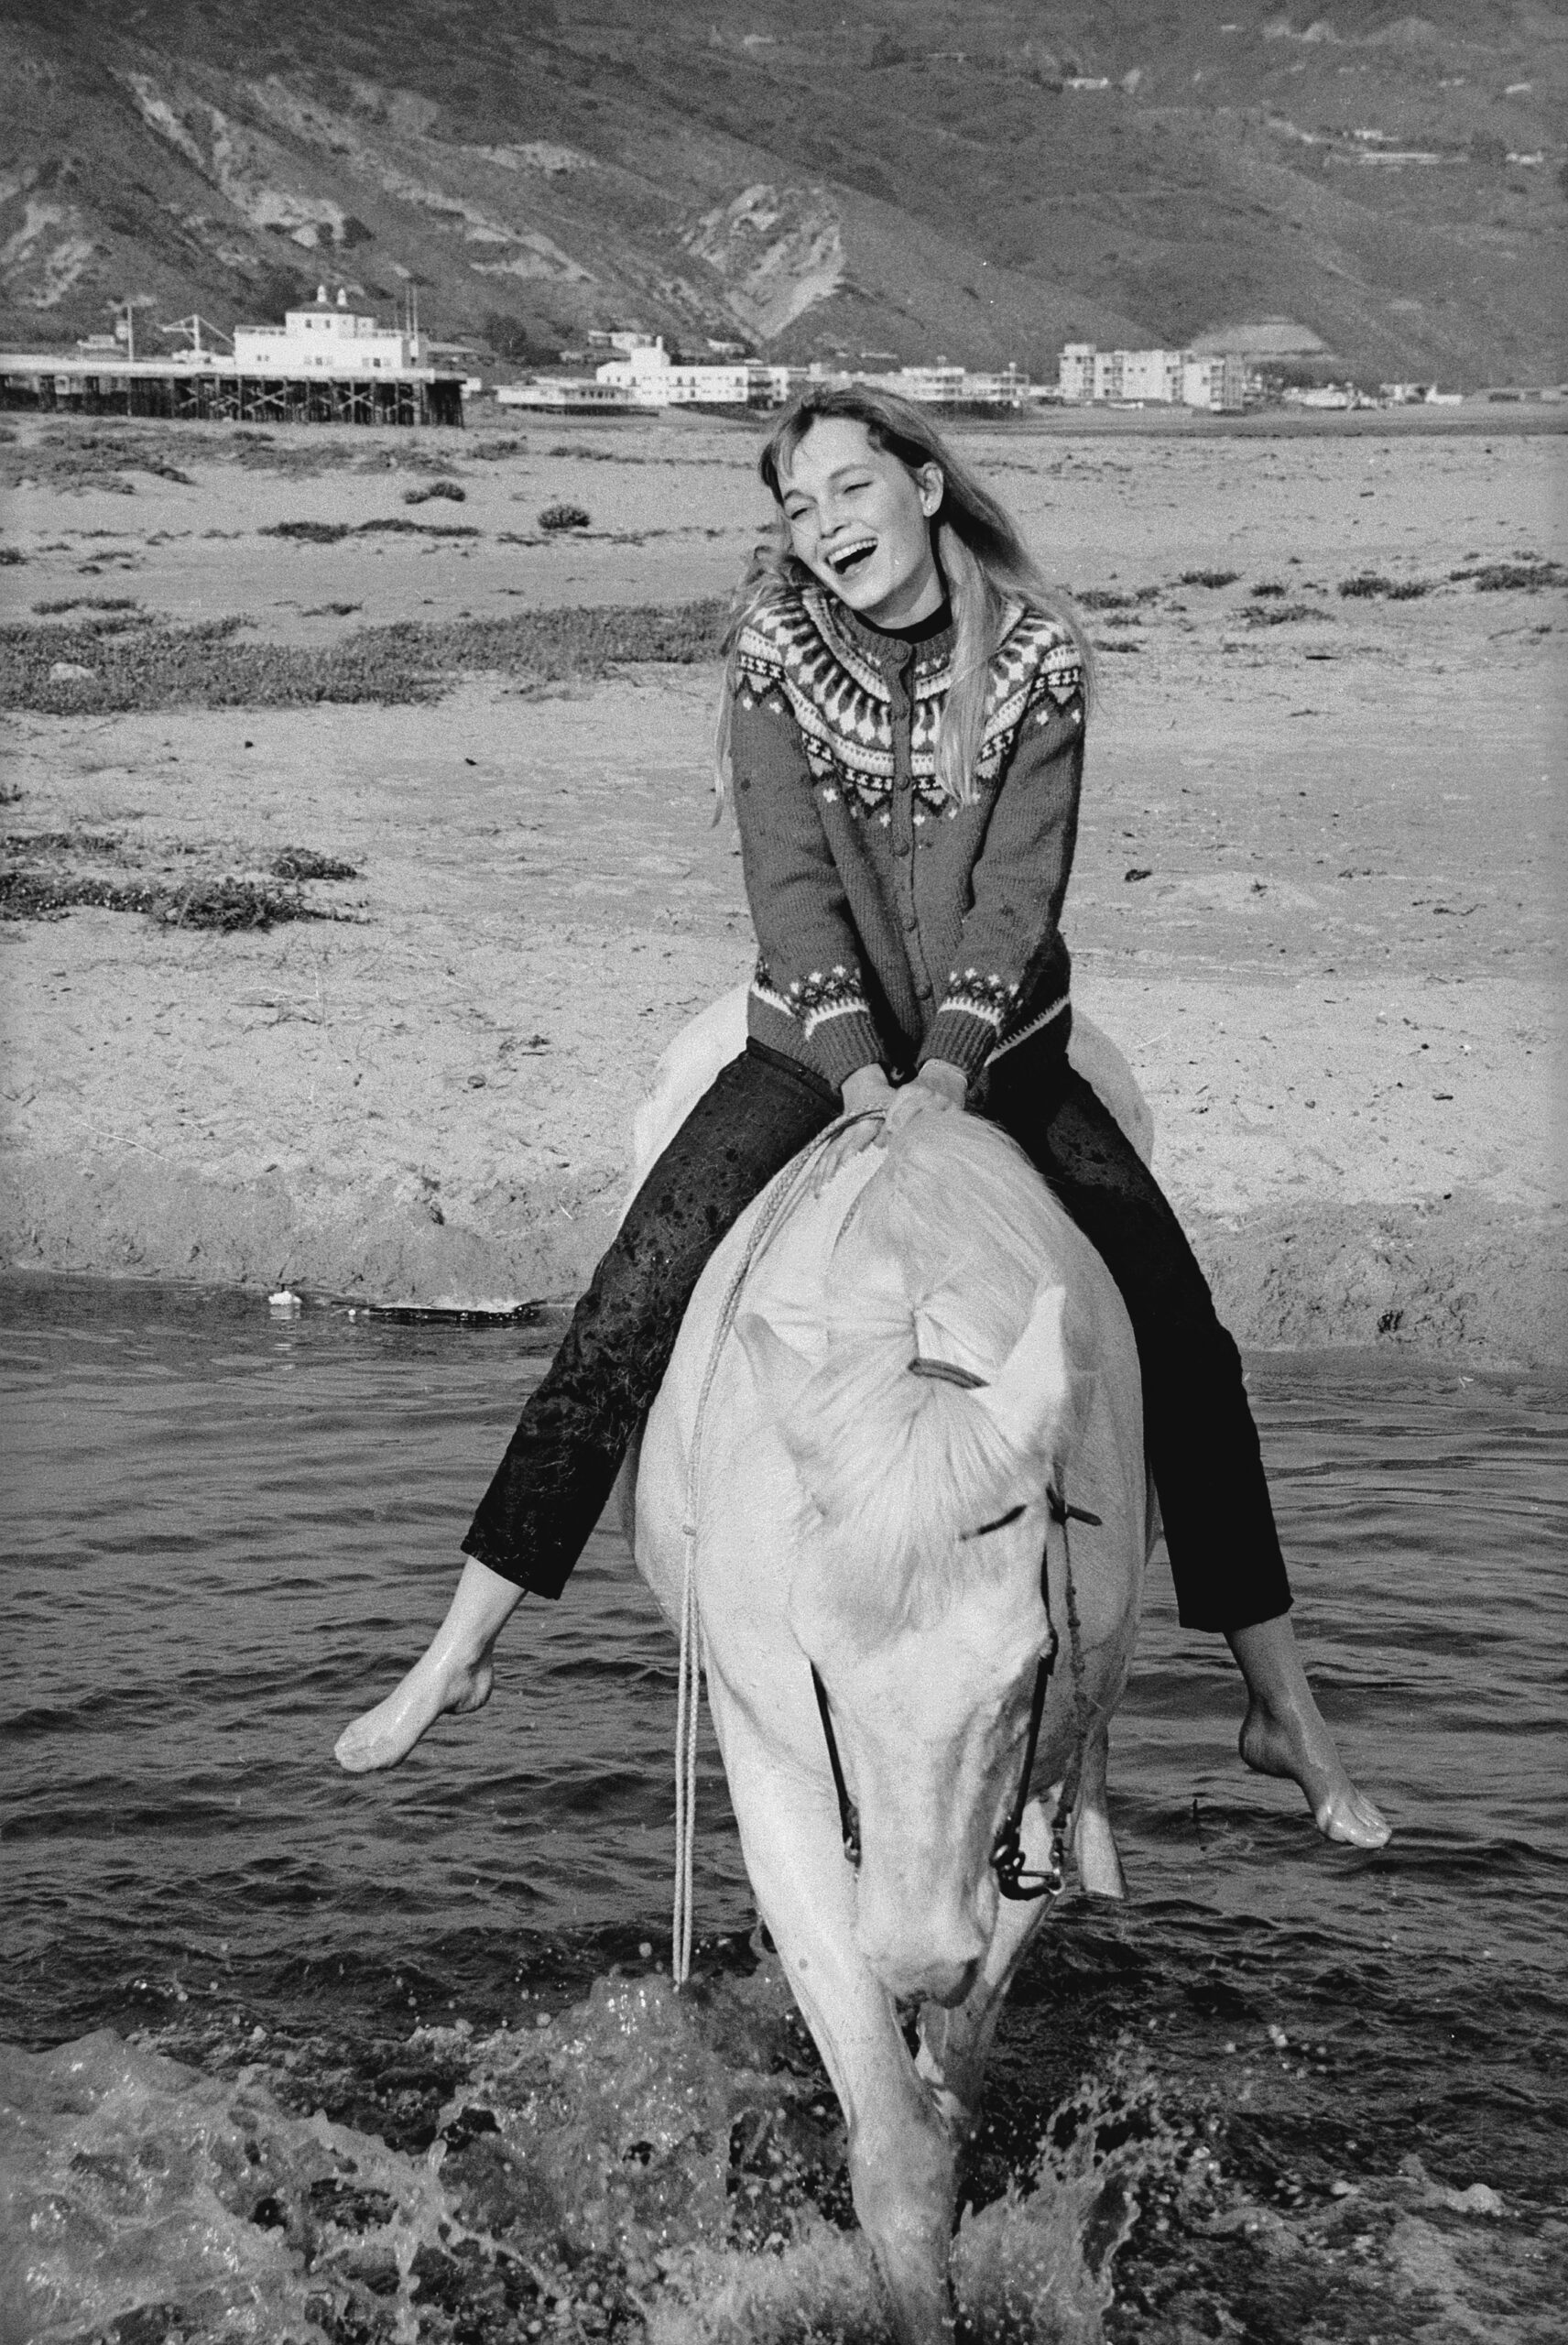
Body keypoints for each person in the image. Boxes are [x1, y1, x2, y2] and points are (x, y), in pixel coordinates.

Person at [336, 387, 1389, 1851]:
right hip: (809, 1044)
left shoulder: (1037, 662)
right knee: (634, 1292)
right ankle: (467, 1638)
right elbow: (790, 890)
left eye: (848, 491)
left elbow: (1019, 898)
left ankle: (1280, 1701)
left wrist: (952, 1070)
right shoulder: (774, 652)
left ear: (925, 484)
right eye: (797, 509)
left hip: (1003, 1051)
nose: (826, 529)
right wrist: (857, 1078)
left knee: (1180, 1324)